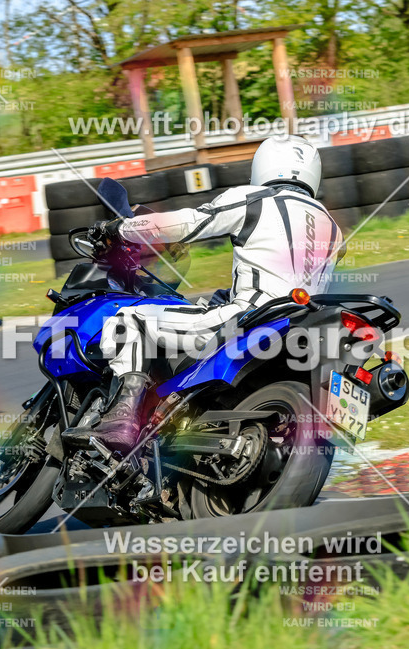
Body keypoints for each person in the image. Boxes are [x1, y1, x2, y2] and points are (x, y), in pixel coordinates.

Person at [63, 135, 343, 453]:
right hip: (294, 324)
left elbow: (191, 223)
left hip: (249, 317)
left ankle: (123, 419)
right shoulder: (331, 226)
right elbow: (287, 279)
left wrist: (123, 228)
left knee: (131, 318)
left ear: (264, 165)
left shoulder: (256, 198)